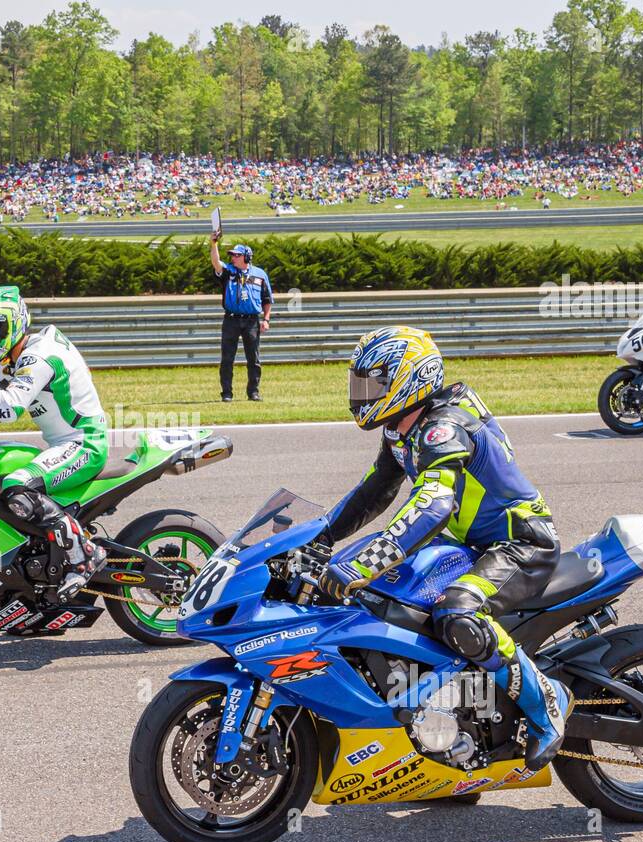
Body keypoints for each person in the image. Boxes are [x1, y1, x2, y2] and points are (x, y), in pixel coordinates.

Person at [316, 326, 571, 772]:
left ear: (408, 380)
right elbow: (374, 492)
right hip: (470, 543)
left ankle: (545, 702)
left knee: (458, 612)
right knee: (389, 600)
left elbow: (433, 505)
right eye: (360, 383)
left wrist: (364, 562)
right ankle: (451, 726)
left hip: (519, 543)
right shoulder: (402, 428)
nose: (361, 395)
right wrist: (320, 539)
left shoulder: (443, 428)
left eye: (372, 384)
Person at [0, 286, 107, 600]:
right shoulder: (17, 357)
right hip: (63, 445)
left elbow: (8, 408)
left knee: (17, 484)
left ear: (10, 326)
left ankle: (84, 557)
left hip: (84, 445)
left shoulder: (37, 356)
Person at [209, 232, 272, 402]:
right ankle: (227, 393)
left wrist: (266, 319)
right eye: (231, 255)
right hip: (231, 320)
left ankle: (253, 392)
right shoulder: (228, 272)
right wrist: (213, 243)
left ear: (247, 257)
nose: (233, 258)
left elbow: (267, 299)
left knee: (254, 358)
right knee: (227, 358)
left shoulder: (260, 274)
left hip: (252, 320)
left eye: (236, 255)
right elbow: (216, 263)